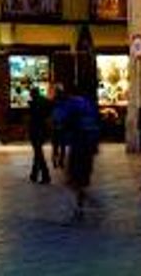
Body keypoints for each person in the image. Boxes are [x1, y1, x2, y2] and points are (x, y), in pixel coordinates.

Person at [55, 90, 100, 222]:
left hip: (79, 146)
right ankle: (81, 200)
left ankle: (82, 200)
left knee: (73, 177)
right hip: (87, 146)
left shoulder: (70, 108)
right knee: (81, 177)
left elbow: (61, 124)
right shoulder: (84, 105)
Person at [28, 88, 52, 184]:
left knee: (38, 153)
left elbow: (34, 118)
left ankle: (45, 175)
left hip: (36, 130)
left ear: (33, 94)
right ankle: (34, 174)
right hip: (42, 130)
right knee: (38, 152)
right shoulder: (45, 102)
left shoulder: (36, 104)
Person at [51, 83, 69, 169]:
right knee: (61, 145)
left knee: (56, 145)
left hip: (57, 125)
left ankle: (56, 160)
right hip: (62, 125)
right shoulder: (65, 100)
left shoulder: (54, 101)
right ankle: (60, 161)